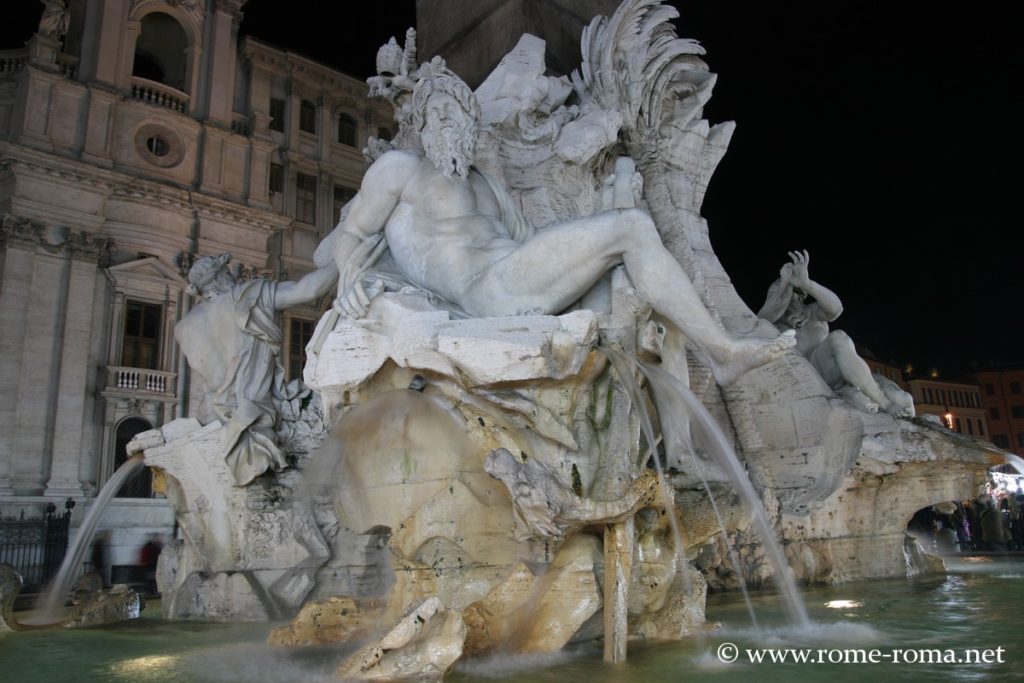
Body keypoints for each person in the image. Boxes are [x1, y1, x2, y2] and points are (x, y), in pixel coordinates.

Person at [329, 69, 794, 386]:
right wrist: (352, 277)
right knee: (630, 227)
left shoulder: (485, 184)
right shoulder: (399, 169)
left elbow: (532, 243)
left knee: (624, 251)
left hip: (517, 278)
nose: (451, 122)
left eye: (459, 112)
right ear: (424, 121)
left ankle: (703, 367)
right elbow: (352, 232)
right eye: (440, 112)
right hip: (484, 291)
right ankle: (722, 352)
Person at [176, 253, 338, 485]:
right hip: (255, 414)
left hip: (212, 418)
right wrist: (344, 254)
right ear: (221, 276)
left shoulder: (185, 326)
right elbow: (308, 290)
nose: (233, 276)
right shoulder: (245, 298)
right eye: (228, 272)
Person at [758, 250, 914, 417]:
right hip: (810, 375)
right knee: (838, 338)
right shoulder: (774, 327)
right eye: (787, 296)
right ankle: (884, 403)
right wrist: (785, 284)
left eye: (797, 295)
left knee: (904, 398)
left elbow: (836, 309)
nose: (792, 301)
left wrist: (806, 283)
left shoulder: (811, 313)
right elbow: (762, 318)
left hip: (840, 371)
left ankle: (876, 399)